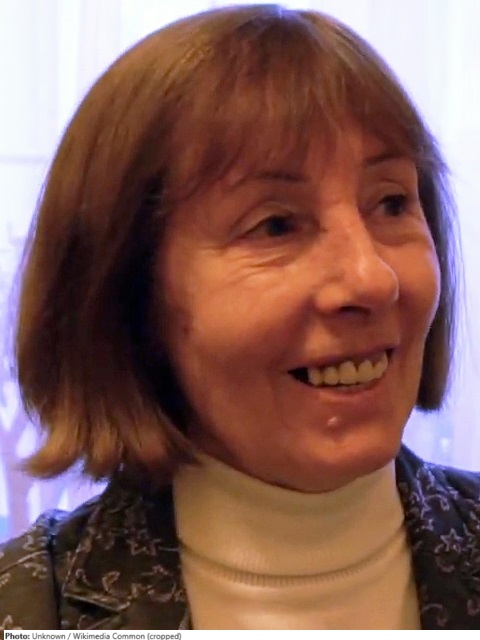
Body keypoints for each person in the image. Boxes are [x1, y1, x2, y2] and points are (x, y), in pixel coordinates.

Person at [0, 3, 479, 631]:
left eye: (391, 203)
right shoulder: (24, 611)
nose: (372, 278)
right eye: (275, 225)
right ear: (128, 297)